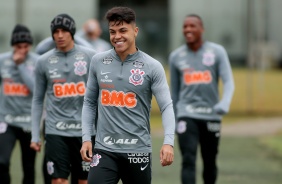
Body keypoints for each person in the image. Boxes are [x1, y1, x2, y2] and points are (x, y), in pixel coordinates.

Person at [80, 6, 175, 184]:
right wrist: (86, 138)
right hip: (104, 149)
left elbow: (166, 106)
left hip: (137, 151)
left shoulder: (152, 66)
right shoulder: (98, 62)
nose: (117, 36)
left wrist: (168, 142)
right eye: (112, 31)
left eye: (123, 30)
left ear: (135, 31)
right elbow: (89, 103)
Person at [30, 13, 96, 184]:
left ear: (72, 32)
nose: (59, 35)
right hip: (55, 130)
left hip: (85, 131)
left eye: (64, 31)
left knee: (84, 181)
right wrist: (35, 135)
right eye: (56, 31)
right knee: (58, 180)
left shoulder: (90, 56)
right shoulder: (43, 61)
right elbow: (38, 100)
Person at [169, 14, 235, 184]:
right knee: (188, 159)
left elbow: (228, 82)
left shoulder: (217, 52)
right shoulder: (176, 56)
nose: (188, 29)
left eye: (192, 26)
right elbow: (174, 92)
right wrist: (173, 119)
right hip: (186, 114)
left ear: (202, 29)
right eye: (185, 26)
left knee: (209, 160)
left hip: (211, 115)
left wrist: (224, 103)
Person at [0, 24, 38, 184]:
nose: (22, 50)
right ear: (13, 45)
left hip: (28, 122)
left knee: (28, 166)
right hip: (6, 120)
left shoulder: (36, 61)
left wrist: (20, 65)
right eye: (18, 46)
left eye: (26, 46)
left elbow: (36, 89)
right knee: (2, 162)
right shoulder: (2, 60)